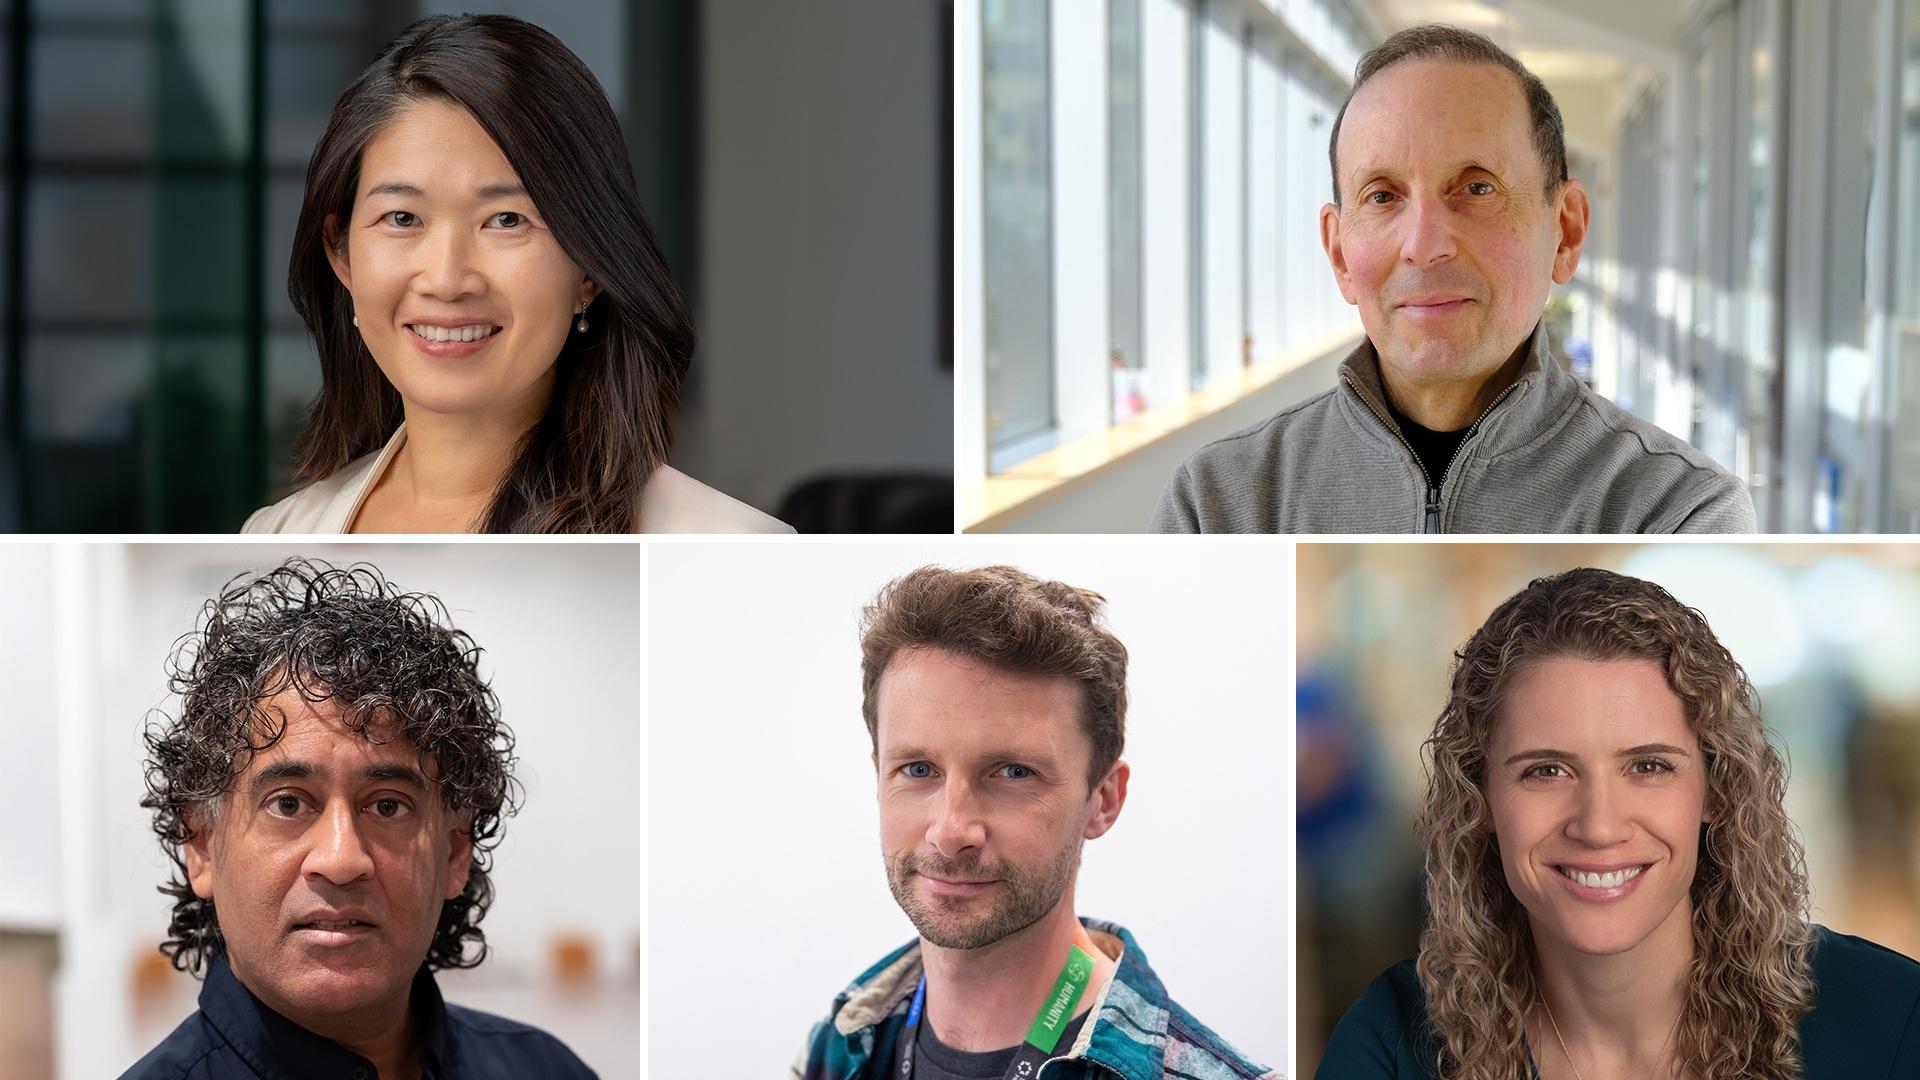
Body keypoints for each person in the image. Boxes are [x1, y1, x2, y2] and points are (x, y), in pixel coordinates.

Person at [1317, 568, 1920, 1079]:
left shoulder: (1892, 1024)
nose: (1599, 826)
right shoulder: (1391, 1046)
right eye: (1547, 771)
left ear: (1715, 789)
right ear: (1479, 800)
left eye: (1649, 766)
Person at [1152, 26, 1753, 534]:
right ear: (1339, 255)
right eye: (1383, 196)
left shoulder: (1677, 512)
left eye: (1476, 187)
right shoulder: (1220, 506)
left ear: (1565, 232)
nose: (1425, 246)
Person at [245, 14, 791, 534]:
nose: (447, 278)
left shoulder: (726, 547)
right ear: (342, 255)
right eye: (403, 218)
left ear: (589, 267)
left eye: (506, 220)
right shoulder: (274, 537)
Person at [793, 566, 1279, 1080]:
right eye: (918, 770)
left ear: (1104, 800)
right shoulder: (836, 1049)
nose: (952, 830)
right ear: (878, 778)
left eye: (1013, 772)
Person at [124, 559, 596, 1079]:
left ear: (456, 850)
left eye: (387, 806)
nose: (342, 859)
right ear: (203, 846)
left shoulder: (546, 1069)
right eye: (288, 803)